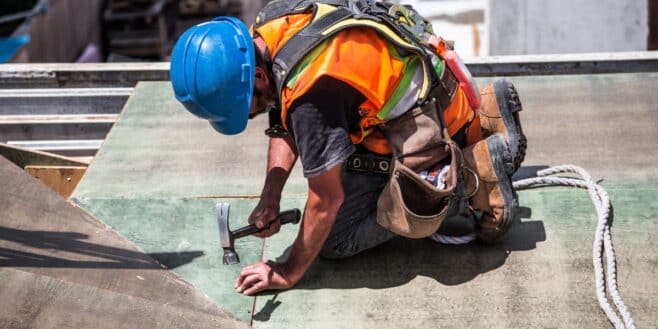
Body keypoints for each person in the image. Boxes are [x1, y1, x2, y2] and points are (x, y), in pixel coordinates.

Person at [170, 0, 526, 296]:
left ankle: (472, 177)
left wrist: (288, 271)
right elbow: (283, 115)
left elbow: (326, 200)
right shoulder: (271, 24)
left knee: (337, 239)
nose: (249, 117)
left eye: (245, 108)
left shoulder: (313, 95)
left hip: (430, 126)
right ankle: (488, 114)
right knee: (331, 160)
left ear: (258, 77)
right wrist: (270, 196)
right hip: (436, 87)